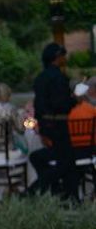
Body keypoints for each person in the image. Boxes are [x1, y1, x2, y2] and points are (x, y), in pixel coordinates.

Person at [27, 43, 76, 199]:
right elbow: (61, 104)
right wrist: (73, 100)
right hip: (59, 124)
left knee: (62, 161)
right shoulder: (59, 78)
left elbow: (38, 106)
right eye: (62, 55)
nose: (64, 58)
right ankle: (35, 190)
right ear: (57, 57)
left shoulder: (40, 79)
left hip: (46, 124)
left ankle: (60, 192)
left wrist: (41, 128)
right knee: (67, 162)